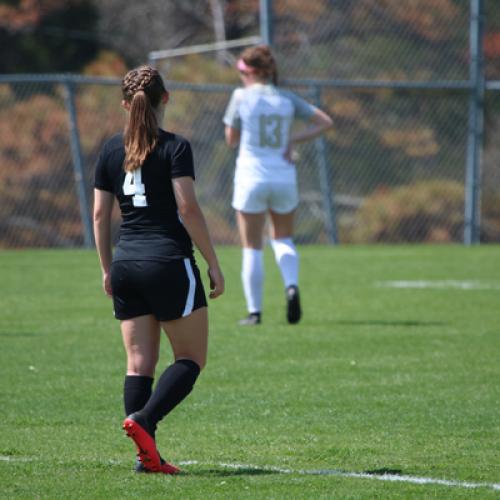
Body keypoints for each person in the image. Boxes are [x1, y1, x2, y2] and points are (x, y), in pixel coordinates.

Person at [93, 65, 224, 474]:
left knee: (138, 364)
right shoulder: (175, 146)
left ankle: (145, 457)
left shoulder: (111, 150)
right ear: (165, 98)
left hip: (127, 262)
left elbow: (100, 215)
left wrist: (107, 269)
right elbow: (187, 207)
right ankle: (145, 421)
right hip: (167, 262)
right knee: (190, 358)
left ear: (123, 104)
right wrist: (213, 262)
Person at [223, 45, 333, 326]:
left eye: (242, 71)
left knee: (252, 246)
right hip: (283, 176)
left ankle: (254, 312)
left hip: (251, 176)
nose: (240, 77)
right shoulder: (286, 98)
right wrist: (293, 139)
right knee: (283, 239)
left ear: (255, 72)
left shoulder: (241, 97)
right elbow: (324, 122)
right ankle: (291, 285)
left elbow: (231, 139)